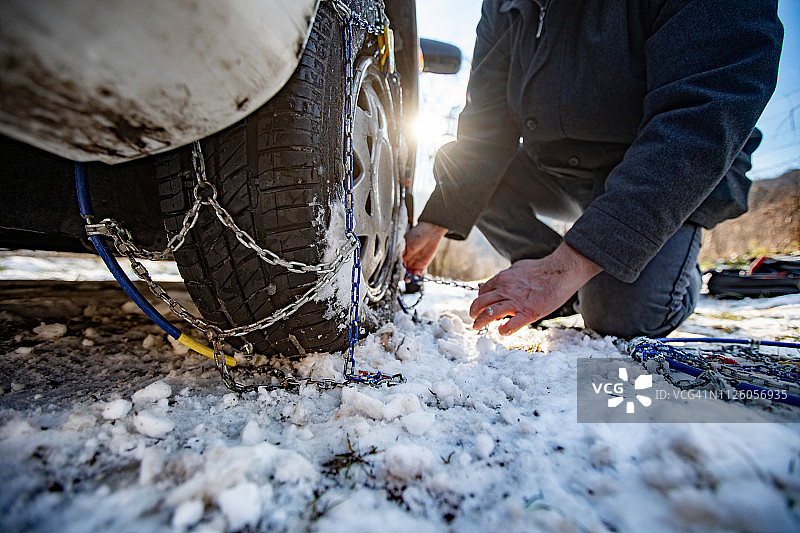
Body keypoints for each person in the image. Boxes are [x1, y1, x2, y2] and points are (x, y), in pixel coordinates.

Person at [403, 0, 783, 338]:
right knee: (454, 162)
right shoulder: (503, 6)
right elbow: (486, 124)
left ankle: (669, 270)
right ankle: (558, 281)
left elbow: (702, 117)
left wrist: (567, 267)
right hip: (557, 170)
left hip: (663, 170)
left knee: (620, 315)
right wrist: (438, 218)